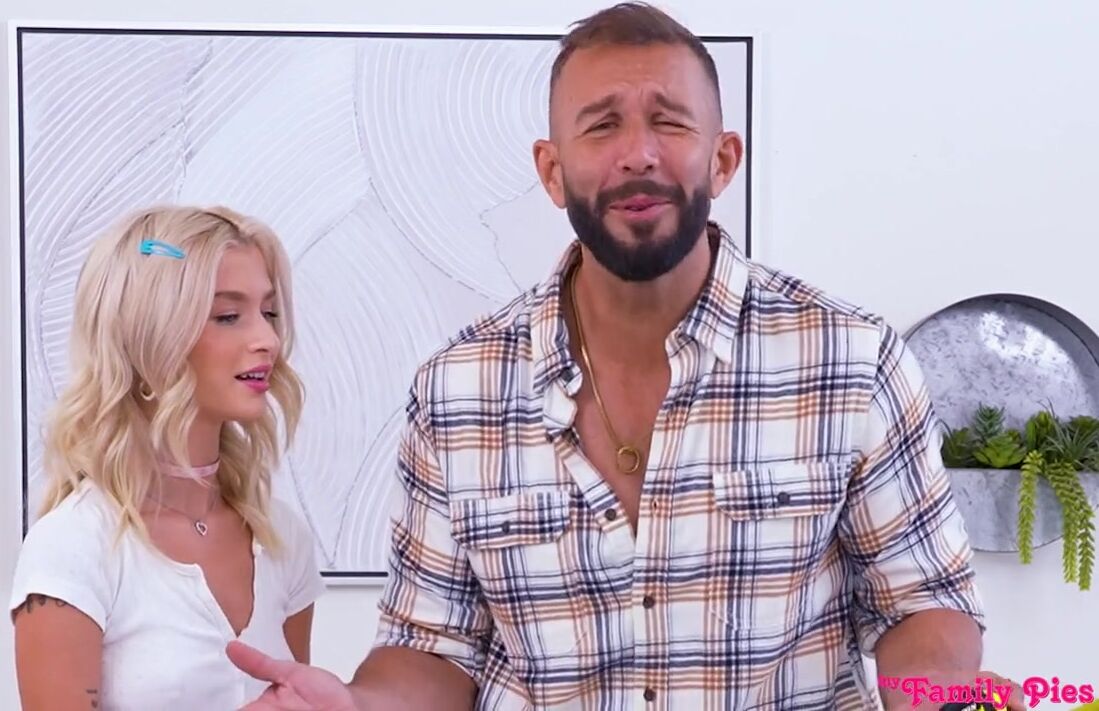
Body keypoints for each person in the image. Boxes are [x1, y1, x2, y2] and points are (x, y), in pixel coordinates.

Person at [229, 3, 1025, 709]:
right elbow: (432, 648)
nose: (637, 152)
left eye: (669, 122)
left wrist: (940, 700)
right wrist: (359, 704)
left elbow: (924, 602)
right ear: (552, 170)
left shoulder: (851, 358)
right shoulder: (456, 388)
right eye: (601, 124)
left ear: (722, 159)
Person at [10, 205, 326, 710]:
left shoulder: (281, 539)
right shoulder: (73, 548)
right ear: (150, 337)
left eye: (269, 313)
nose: (268, 340)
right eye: (228, 316)